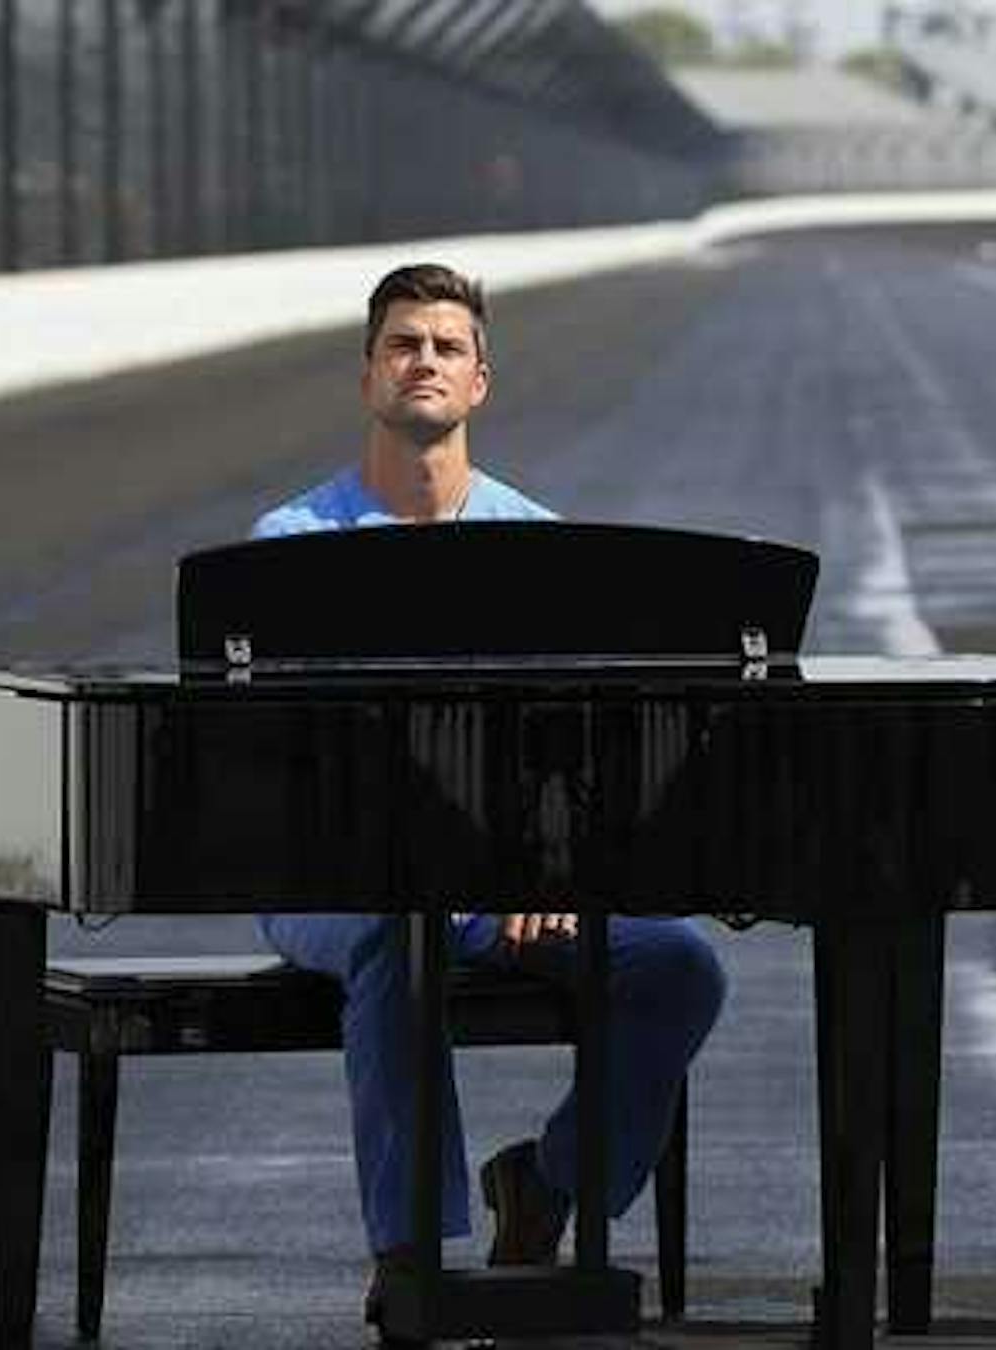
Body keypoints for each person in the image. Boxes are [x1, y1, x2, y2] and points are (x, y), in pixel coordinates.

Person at [249, 262, 727, 1330]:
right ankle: (412, 1255)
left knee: (679, 965)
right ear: (368, 374)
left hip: (503, 878)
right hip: (339, 878)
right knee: (394, 933)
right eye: (402, 345)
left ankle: (549, 1187)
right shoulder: (292, 549)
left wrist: (549, 865)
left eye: (446, 347)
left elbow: (570, 746)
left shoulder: (539, 543)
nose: (424, 360)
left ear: (479, 385)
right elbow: (300, 762)